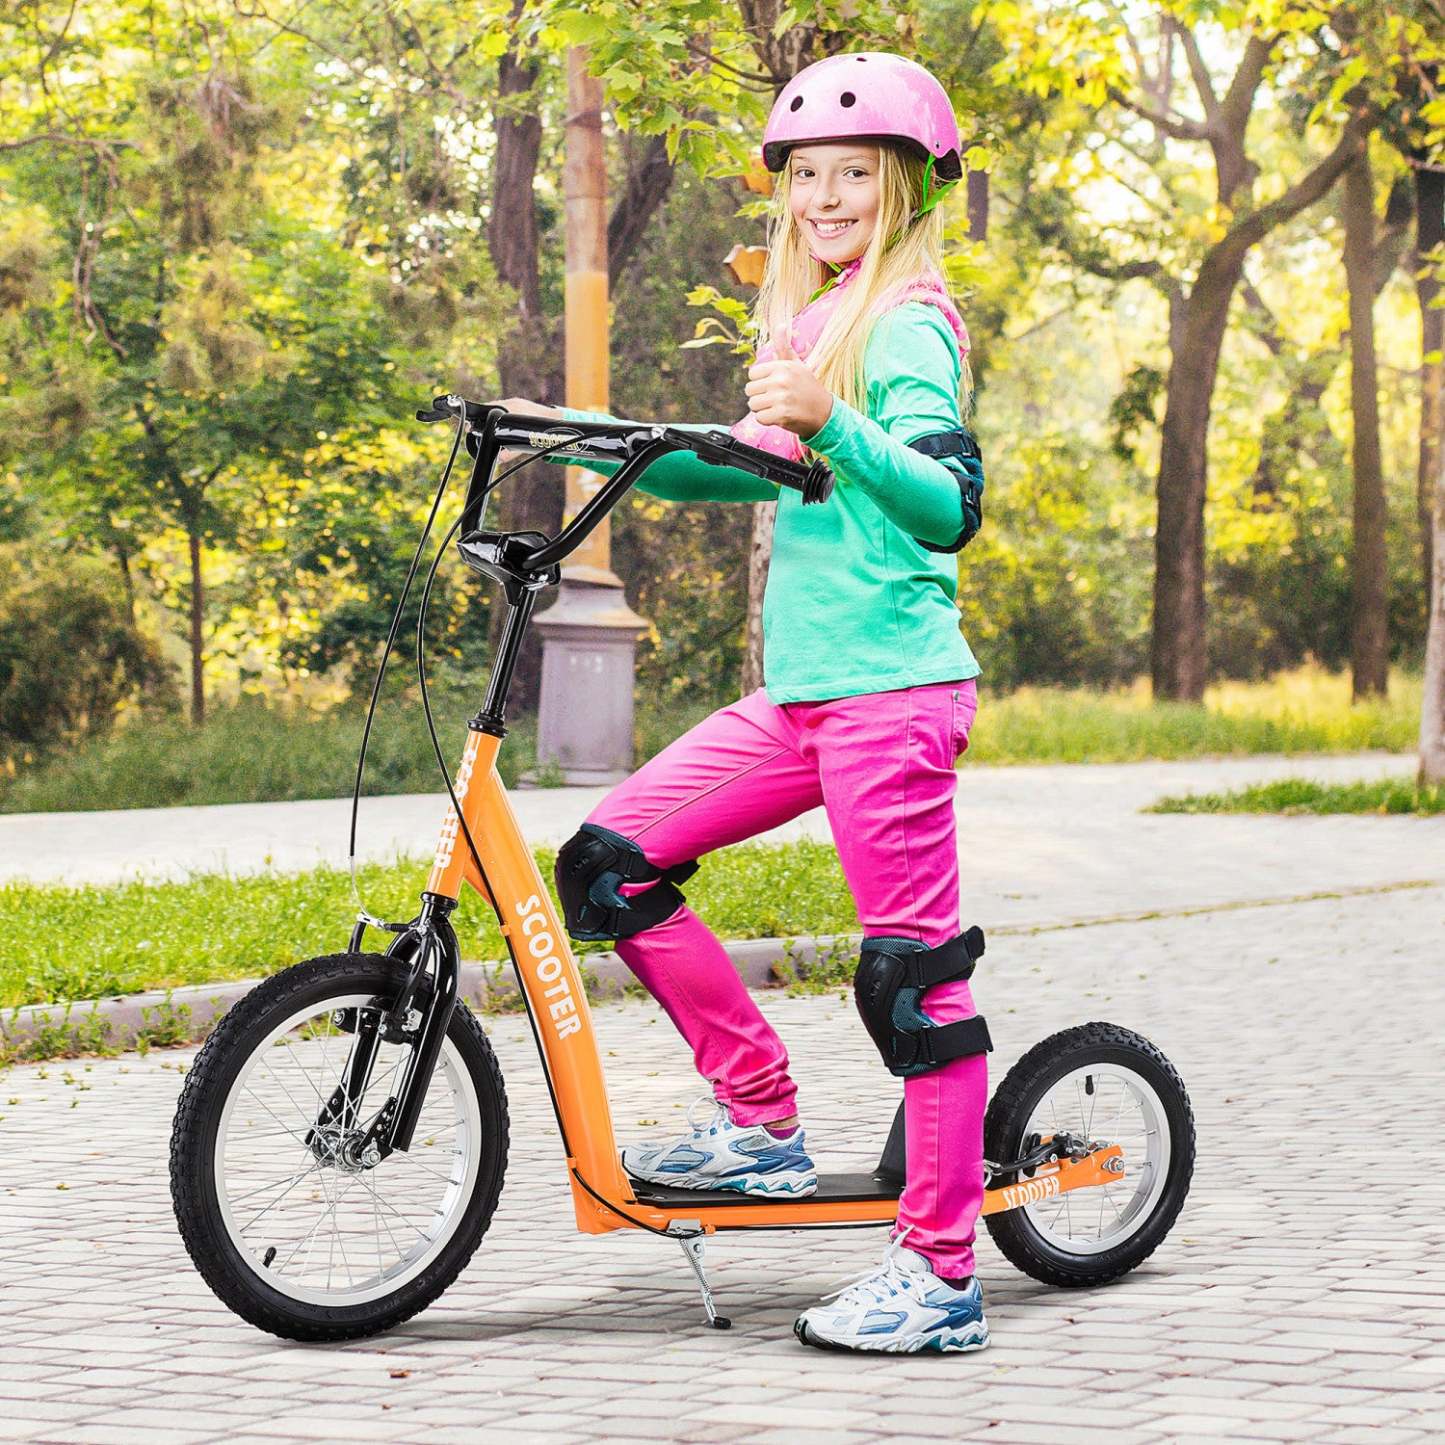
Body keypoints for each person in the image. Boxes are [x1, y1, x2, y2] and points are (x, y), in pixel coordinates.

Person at [494, 51, 991, 1355]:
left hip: (892, 693)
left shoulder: (904, 321)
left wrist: (833, 421)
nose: (824, 196)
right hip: (802, 699)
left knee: (912, 983)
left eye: (851, 174)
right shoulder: (810, 321)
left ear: (899, 187)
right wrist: (589, 439)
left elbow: (946, 504)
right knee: (608, 861)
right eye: (808, 176)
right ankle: (762, 1122)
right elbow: (751, 471)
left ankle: (939, 1278)